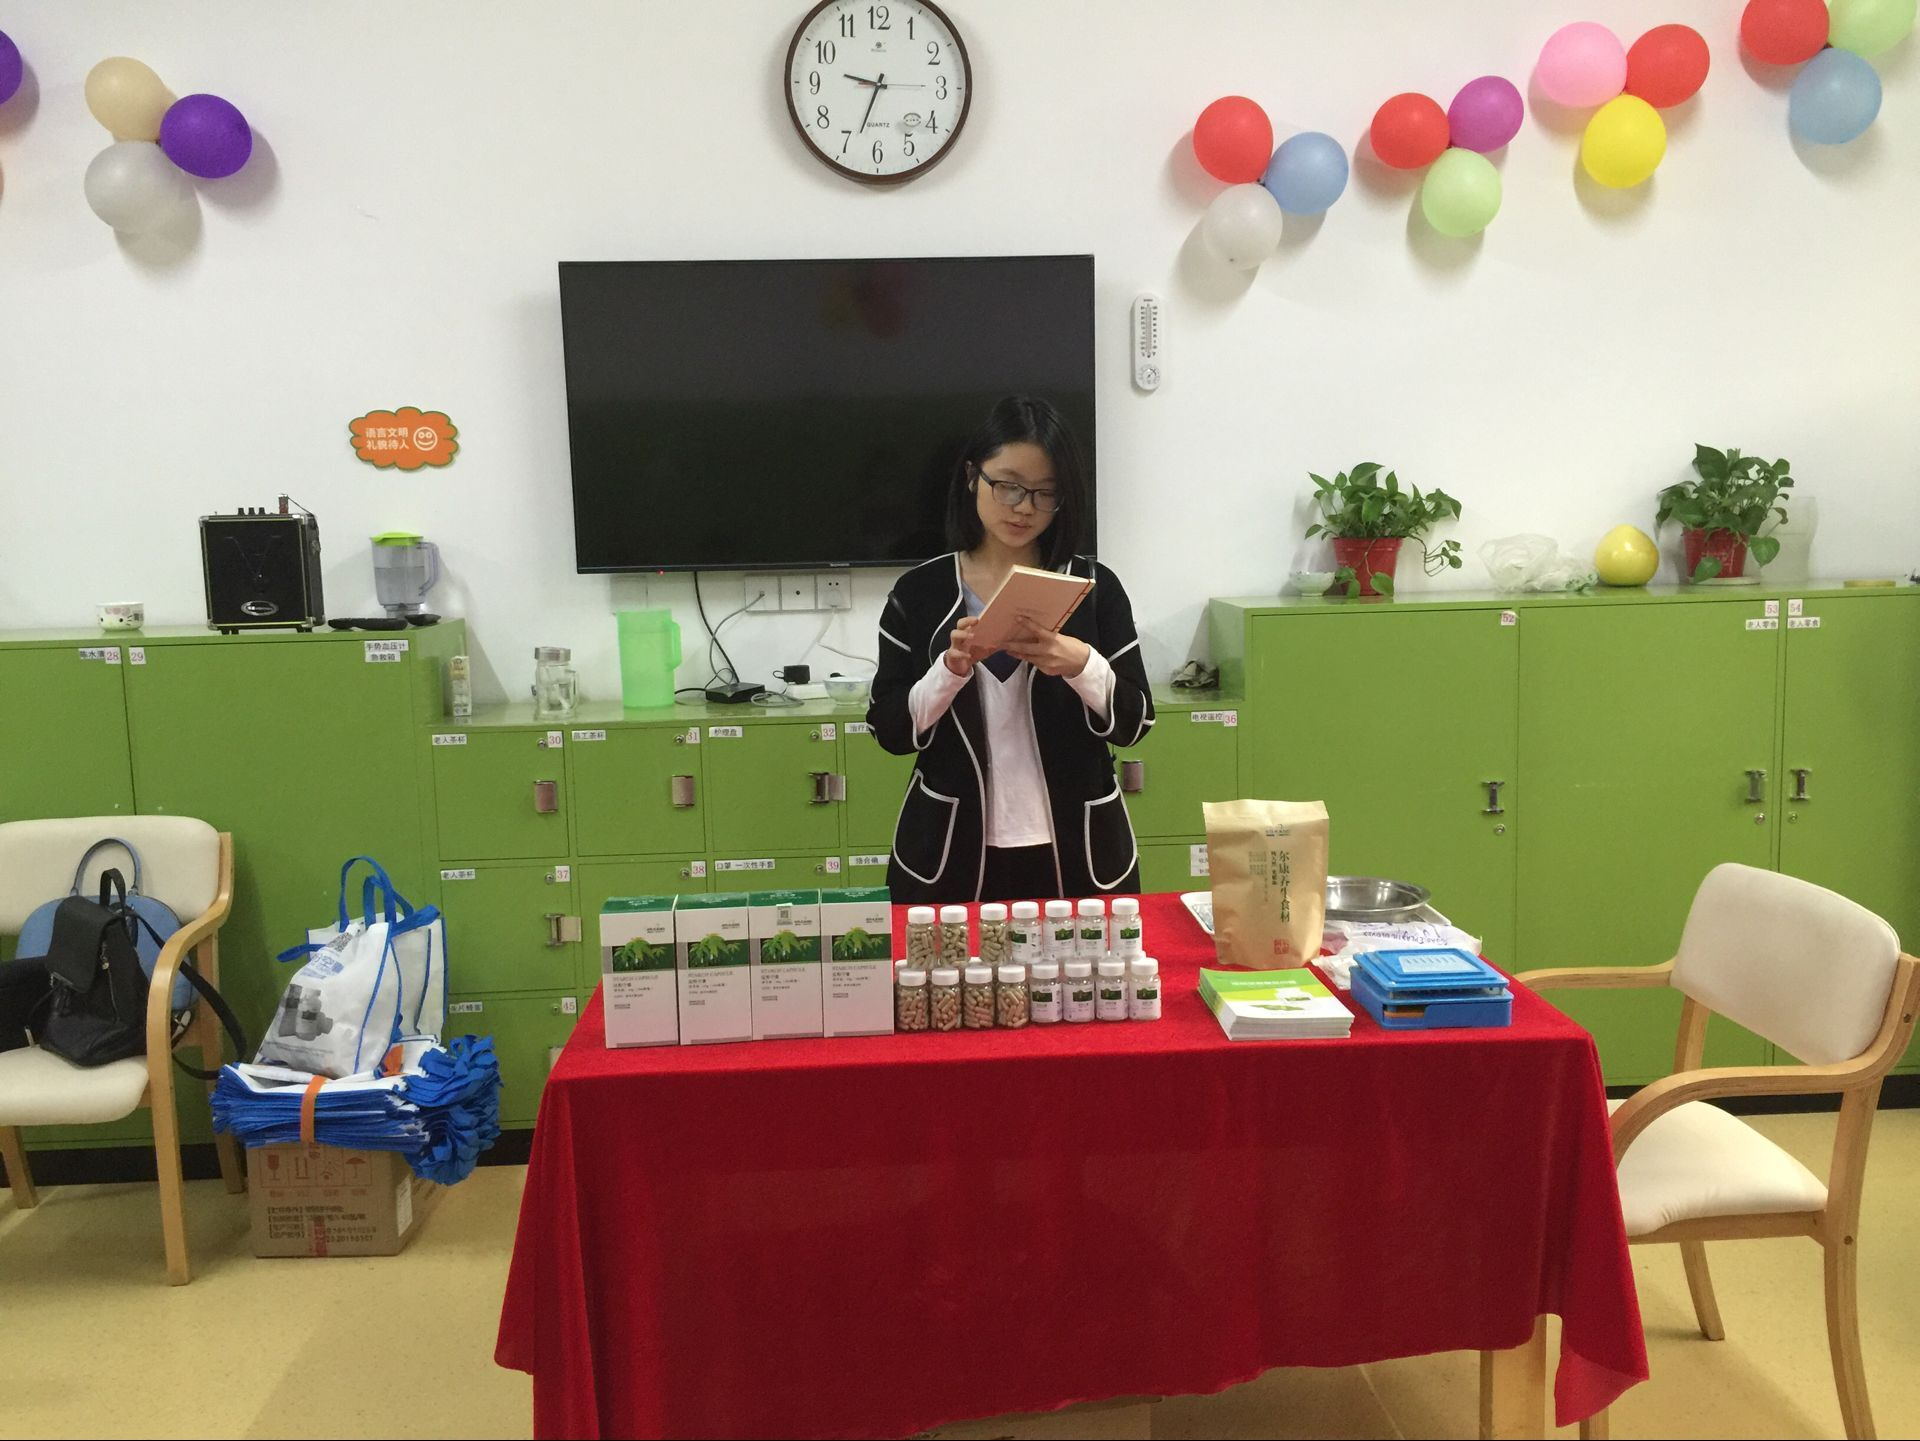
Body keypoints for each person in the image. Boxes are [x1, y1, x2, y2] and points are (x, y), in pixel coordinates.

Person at [867, 396, 1153, 903]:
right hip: (950, 847)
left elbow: (1136, 723)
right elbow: (889, 731)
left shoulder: (1093, 587)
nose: (1024, 507)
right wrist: (949, 671)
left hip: (1078, 846)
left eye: (1046, 492)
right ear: (972, 476)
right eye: (1009, 485)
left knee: (1083, 959)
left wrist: (1082, 665)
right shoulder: (920, 593)